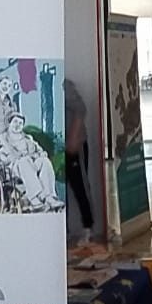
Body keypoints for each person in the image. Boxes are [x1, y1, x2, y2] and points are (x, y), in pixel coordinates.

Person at [0, 112, 64, 212]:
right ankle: (36, 197)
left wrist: (40, 155)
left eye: (20, 123)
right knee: (24, 161)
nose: (17, 125)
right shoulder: (1, 138)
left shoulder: (28, 138)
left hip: (31, 163)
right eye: (15, 122)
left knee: (44, 161)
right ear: (9, 123)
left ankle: (49, 196)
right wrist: (0, 156)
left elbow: (40, 150)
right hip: (12, 168)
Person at [62, 76, 94, 232]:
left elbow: (80, 108)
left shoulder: (64, 85)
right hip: (55, 147)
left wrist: (73, 138)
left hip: (73, 146)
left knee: (80, 187)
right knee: (58, 191)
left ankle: (88, 229)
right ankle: (63, 232)